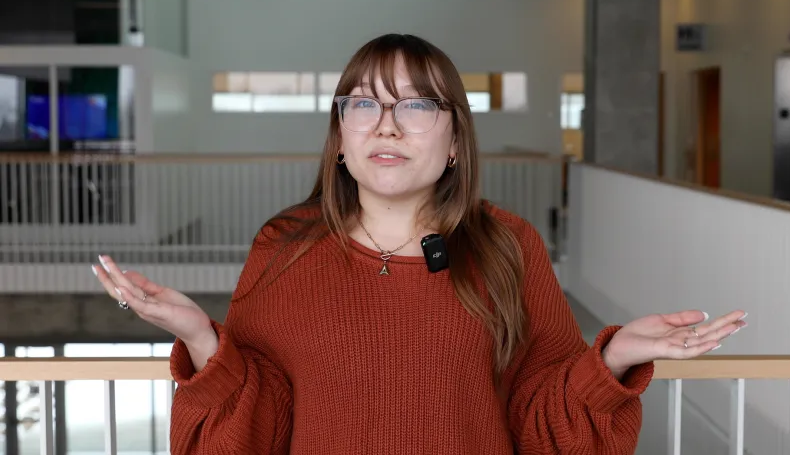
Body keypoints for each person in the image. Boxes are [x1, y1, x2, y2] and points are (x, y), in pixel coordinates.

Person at [90, 33, 747, 454]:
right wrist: (200, 336)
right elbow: (261, 416)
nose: (387, 126)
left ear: (456, 139)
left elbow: (541, 416)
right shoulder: (284, 246)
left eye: (416, 105)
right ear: (340, 139)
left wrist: (615, 357)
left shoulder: (508, 246)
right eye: (363, 104)